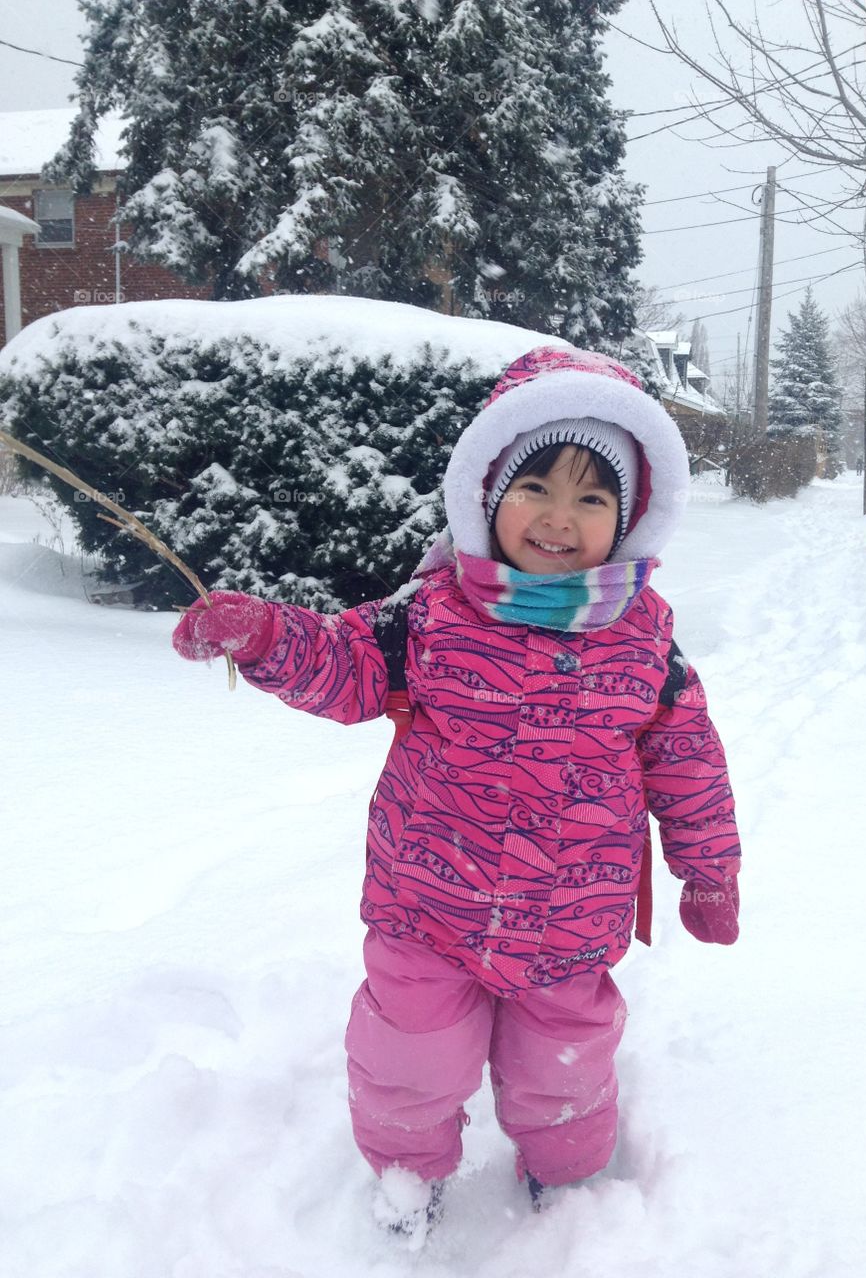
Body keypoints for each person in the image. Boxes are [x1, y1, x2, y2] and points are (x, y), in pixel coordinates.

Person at [172, 344, 742, 1240]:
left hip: (570, 916)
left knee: (563, 1064)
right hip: (427, 903)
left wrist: (708, 870)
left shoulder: (644, 644)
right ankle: (406, 1173)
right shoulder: (430, 614)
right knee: (410, 1056)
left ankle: (567, 1173)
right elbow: (345, 665)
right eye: (535, 489)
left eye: (591, 498)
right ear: (486, 493)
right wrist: (266, 636)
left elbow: (689, 764)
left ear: (629, 519)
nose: (559, 518)